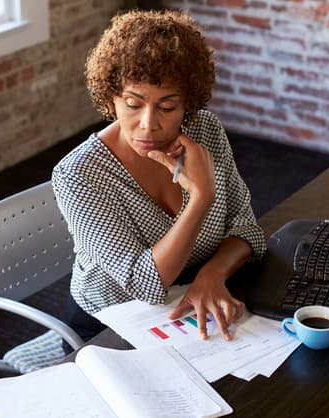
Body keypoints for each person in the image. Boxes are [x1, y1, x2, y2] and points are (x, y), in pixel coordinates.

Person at [52, 9, 267, 346]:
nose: (148, 123)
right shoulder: (79, 174)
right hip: (109, 325)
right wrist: (201, 198)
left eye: (167, 107)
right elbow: (145, 283)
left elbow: (246, 227)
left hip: (194, 298)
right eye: (133, 104)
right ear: (111, 98)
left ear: (188, 106)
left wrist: (213, 274)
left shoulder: (206, 131)